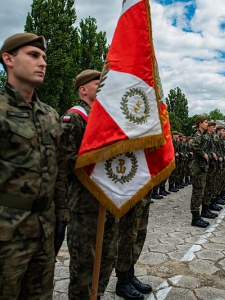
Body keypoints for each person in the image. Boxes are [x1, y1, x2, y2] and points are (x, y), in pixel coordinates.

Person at [0, 32, 69, 299]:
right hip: (7, 233)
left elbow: (60, 171)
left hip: (44, 227)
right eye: (33, 55)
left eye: (44, 57)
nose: (42, 62)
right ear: (9, 59)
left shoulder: (50, 115)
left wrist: (62, 216)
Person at [61, 70, 118, 300]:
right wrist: (96, 162)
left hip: (108, 198)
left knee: (107, 256)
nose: (103, 85)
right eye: (98, 82)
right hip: (85, 202)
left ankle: (98, 294)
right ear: (83, 89)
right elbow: (65, 158)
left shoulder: (105, 118)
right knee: (84, 263)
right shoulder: (74, 118)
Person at [115, 192, 153, 300]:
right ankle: (122, 281)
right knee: (127, 236)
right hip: (131, 191)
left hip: (144, 188)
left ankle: (129, 275)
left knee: (140, 232)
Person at [189, 115, 210, 228]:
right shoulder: (197, 135)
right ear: (200, 123)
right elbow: (192, 145)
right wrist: (203, 154)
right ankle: (195, 217)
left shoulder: (202, 135)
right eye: (206, 122)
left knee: (200, 192)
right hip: (197, 168)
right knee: (197, 192)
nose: (207, 124)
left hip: (201, 167)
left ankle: (198, 216)